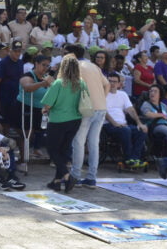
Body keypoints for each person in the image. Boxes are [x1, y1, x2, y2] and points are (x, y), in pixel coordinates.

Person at [68, 43, 110, 188]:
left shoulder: (74, 66)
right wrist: (101, 99)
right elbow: (107, 85)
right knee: (93, 143)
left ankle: (75, 175)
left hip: (85, 109)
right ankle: (91, 177)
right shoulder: (93, 66)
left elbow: (69, 88)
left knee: (79, 142)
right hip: (101, 108)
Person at [42, 55, 83, 191]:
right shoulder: (81, 83)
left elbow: (47, 104)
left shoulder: (59, 83)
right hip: (75, 120)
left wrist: (45, 109)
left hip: (58, 120)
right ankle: (57, 180)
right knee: (63, 151)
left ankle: (66, 176)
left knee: (52, 150)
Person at [104, 73, 148, 167]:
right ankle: (127, 159)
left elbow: (131, 110)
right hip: (108, 125)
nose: (112, 83)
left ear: (119, 83)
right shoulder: (103, 94)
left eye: (114, 81)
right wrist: (115, 123)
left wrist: (139, 123)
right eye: (110, 81)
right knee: (126, 130)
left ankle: (135, 158)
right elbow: (103, 112)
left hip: (123, 124)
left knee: (141, 130)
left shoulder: (123, 94)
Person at [141, 85, 167, 150]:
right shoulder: (146, 104)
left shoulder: (162, 105)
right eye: (151, 91)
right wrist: (161, 115)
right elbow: (147, 114)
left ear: (160, 94)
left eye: (155, 91)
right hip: (155, 126)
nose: (152, 93)